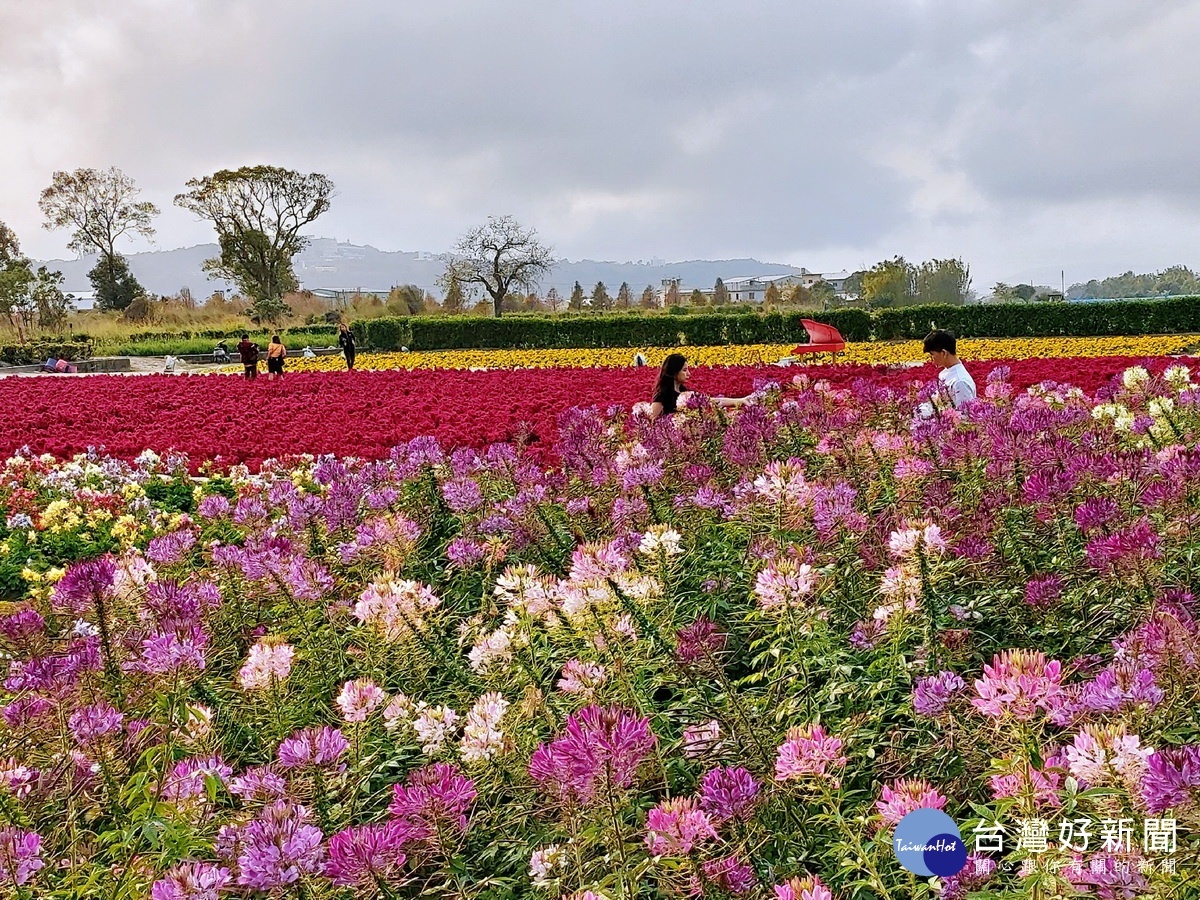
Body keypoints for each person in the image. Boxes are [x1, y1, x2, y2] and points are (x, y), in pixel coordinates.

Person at [648, 353, 751, 420]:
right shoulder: (662, 395)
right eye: (684, 370)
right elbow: (653, 419)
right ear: (674, 372)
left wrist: (741, 400)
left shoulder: (684, 393)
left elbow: (712, 401)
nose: (688, 373)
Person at [919, 329, 976, 416]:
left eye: (932, 354)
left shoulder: (960, 382)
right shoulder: (945, 373)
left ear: (944, 353)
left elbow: (966, 417)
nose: (931, 358)